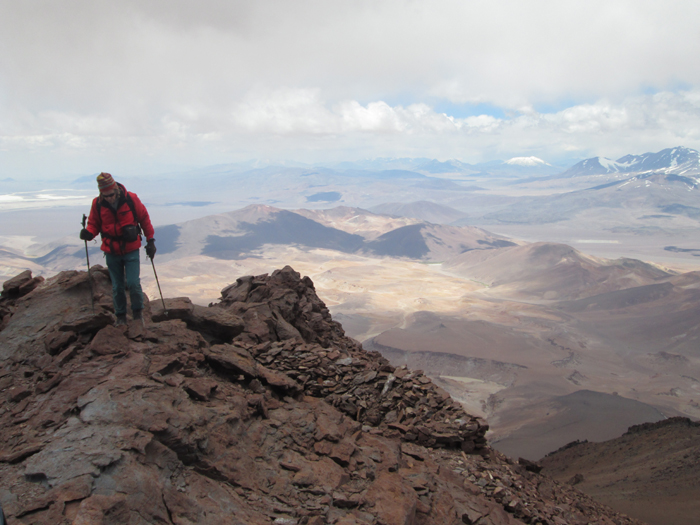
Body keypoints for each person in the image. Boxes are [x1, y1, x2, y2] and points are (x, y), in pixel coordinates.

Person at [80, 172, 156, 325]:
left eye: (111, 194)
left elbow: (144, 219)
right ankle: (120, 317)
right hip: (111, 250)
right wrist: (89, 233)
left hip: (131, 248)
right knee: (117, 287)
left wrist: (150, 240)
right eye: (106, 195)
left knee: (133, 283)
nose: (109, 198)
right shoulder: (97, 204)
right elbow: (94, 223)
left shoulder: (131, 199)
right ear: (101, 192)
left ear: (115, 188)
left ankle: (137, 315)